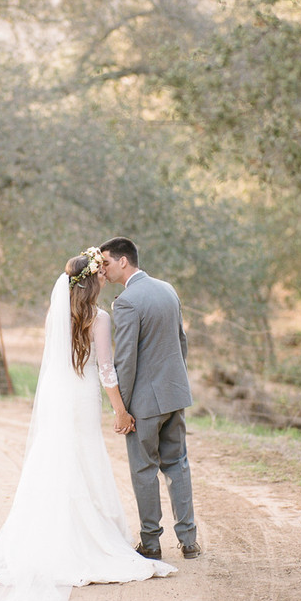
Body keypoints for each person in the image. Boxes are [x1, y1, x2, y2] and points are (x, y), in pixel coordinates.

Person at [0, 247, 176, 601]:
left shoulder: (56, 314)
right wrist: (121, 410)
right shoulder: (99, 318)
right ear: (94, 282)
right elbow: (106, 370)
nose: (104, 279)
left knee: (53, 456)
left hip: (56, 393)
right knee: (81, 455)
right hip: (79, 395)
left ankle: (45, 537)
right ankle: (82, 540)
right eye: (101, 275)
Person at [99, 237, 201, 561]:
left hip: (144, 404)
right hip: (175, 394)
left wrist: (123, 409)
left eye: (107, 262)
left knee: (144, 470)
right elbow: (181, 343)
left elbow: (126, 360)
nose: (104, 268)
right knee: (178, 465)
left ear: (123, 261)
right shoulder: (168, 289)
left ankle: (151, 543)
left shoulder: (126, 302)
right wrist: (176, 383)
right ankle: (189, 541)